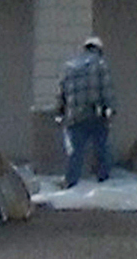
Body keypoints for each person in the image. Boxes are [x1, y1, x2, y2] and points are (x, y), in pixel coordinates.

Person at [55, 35, 113, 187]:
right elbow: (106, 90)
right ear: (98, 49)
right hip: (95, 114)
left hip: (74, 116)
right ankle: (103, 181)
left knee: (75, 152)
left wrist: (61, 113)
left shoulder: (70, 66)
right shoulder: (100, 64)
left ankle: (71, 182)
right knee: (101, 149)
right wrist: (109, 110)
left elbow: (61, 92)